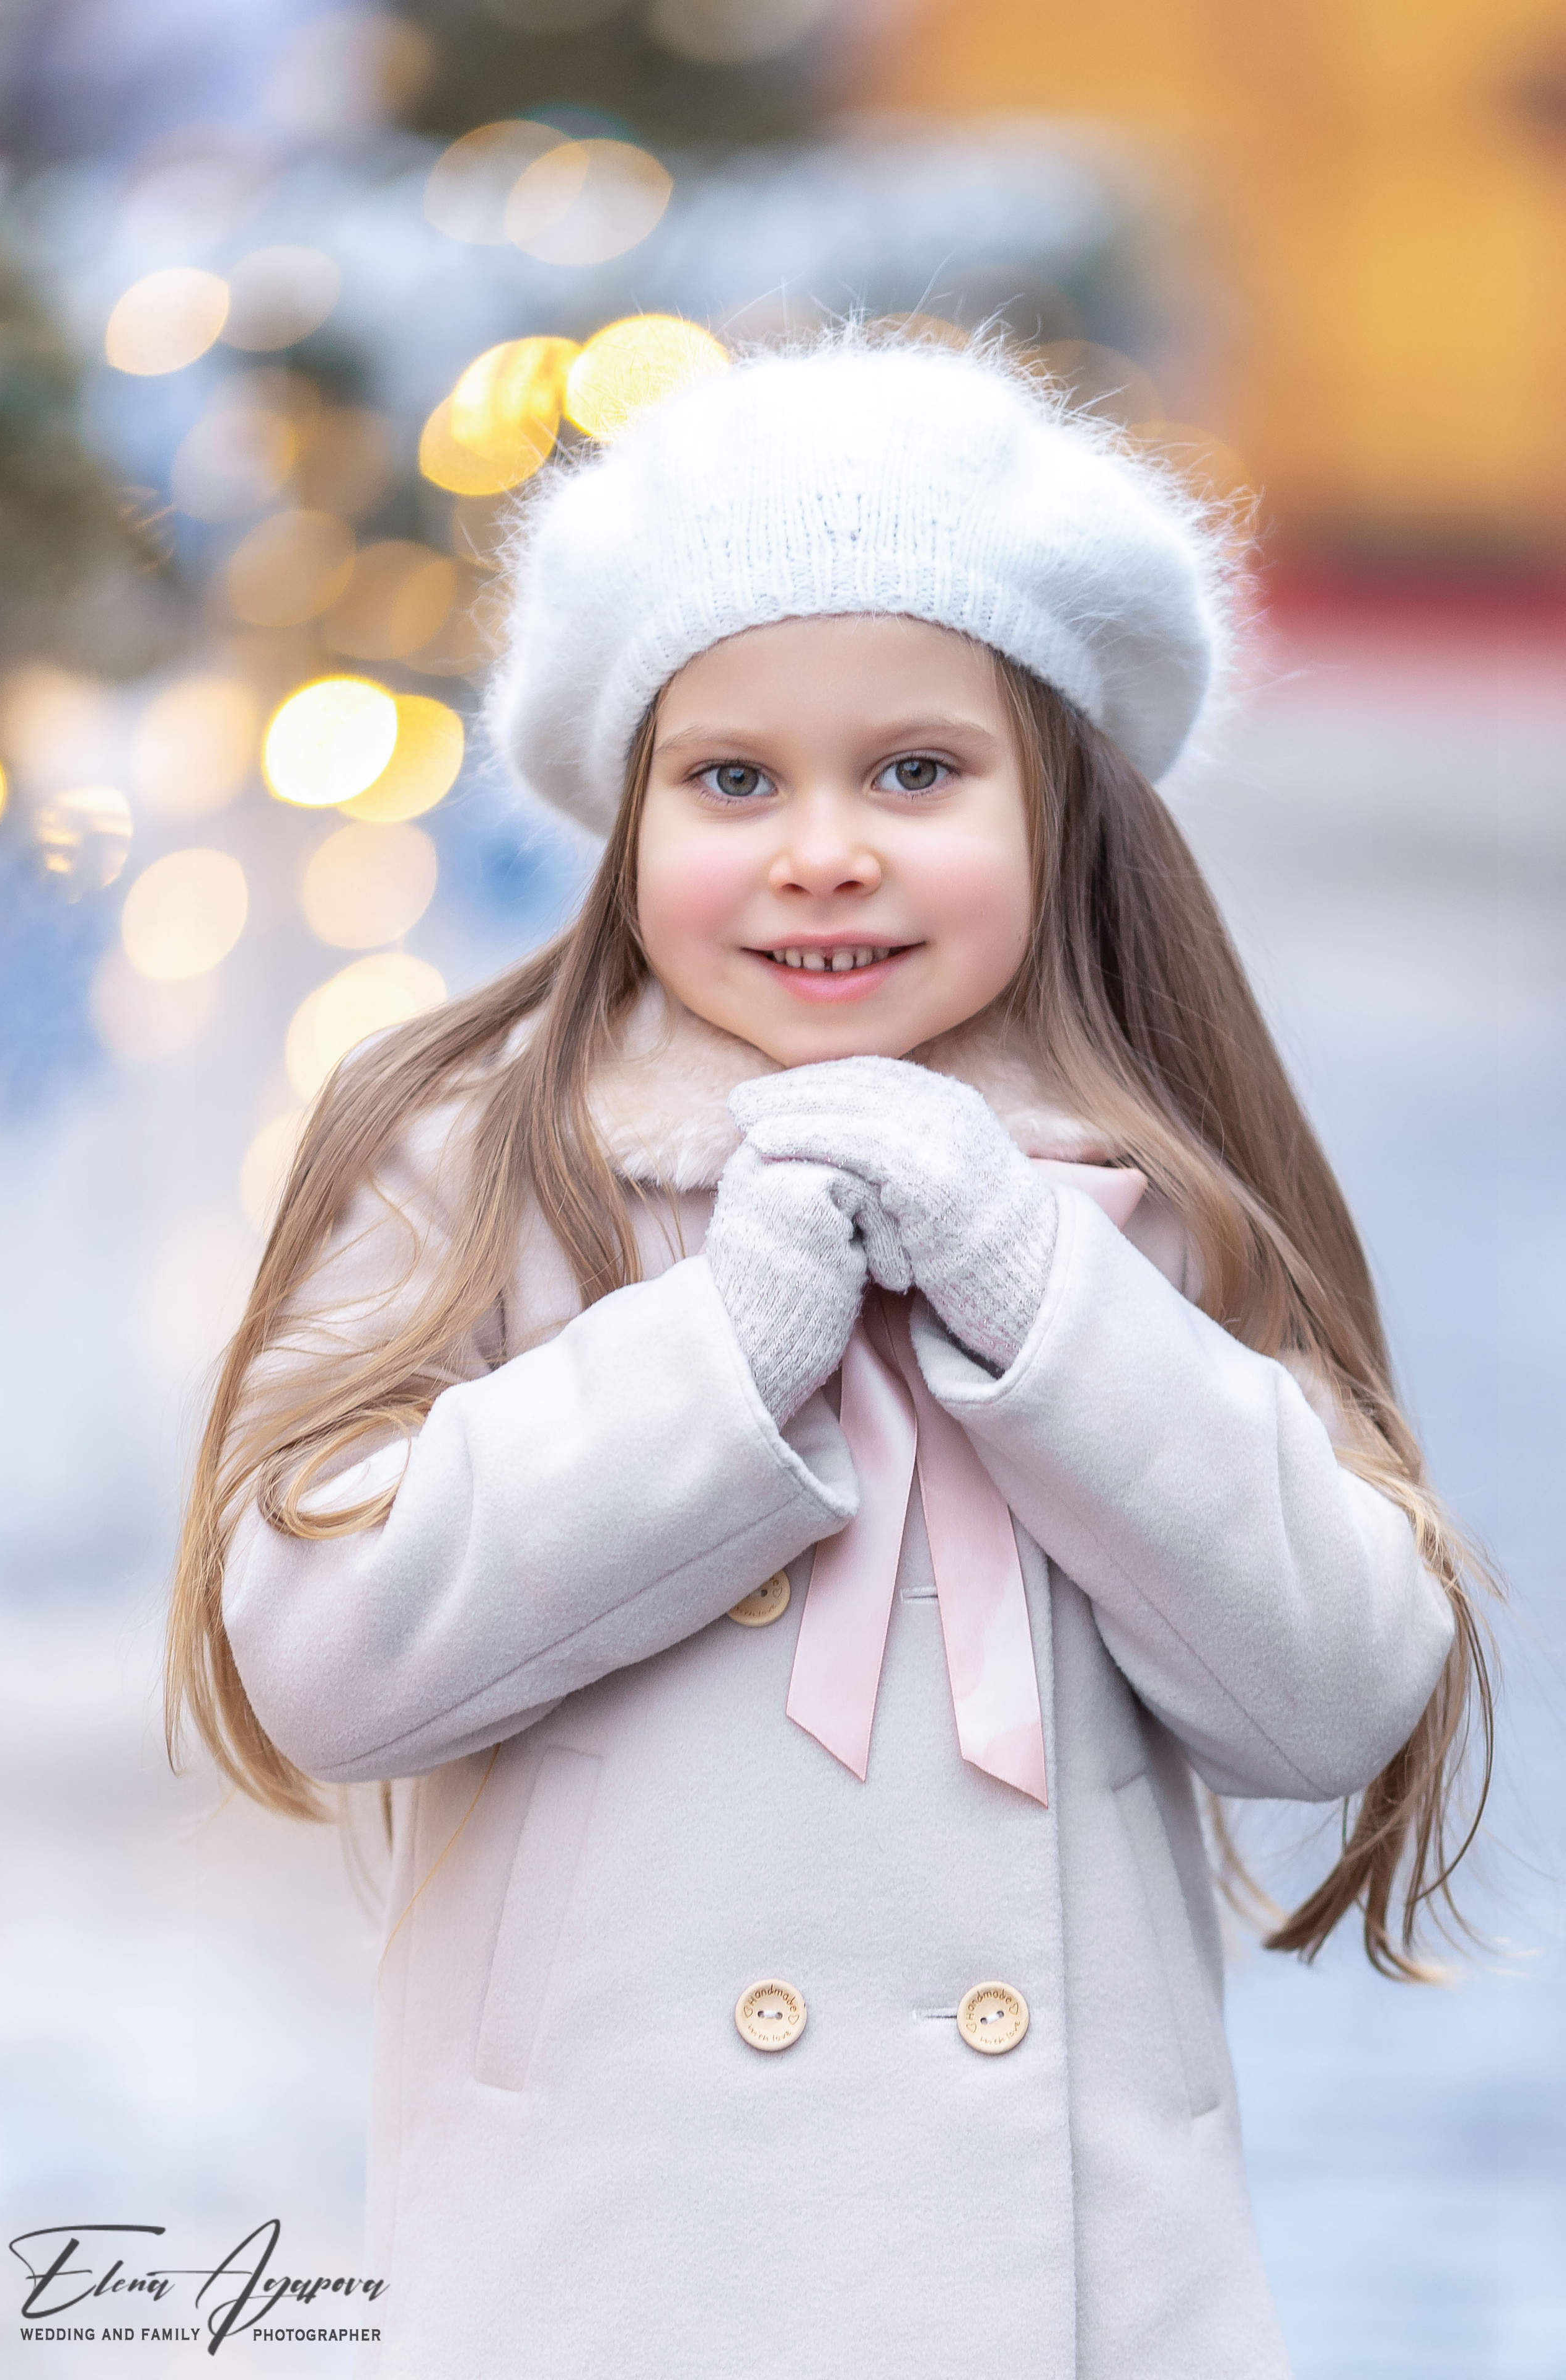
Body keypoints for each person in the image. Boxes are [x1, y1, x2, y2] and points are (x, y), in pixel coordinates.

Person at [166, 332, 1493, 2378]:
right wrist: (731, 1344)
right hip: (610, 2270)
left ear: (1062, 809)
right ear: (625, 821)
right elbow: (321, 1649)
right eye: (731, 780)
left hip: (1076, 2304)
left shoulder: (1143, 1200)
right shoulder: (484, 1157)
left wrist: (1029, 1289)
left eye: (915, 770)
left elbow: (1333, 1683)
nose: (822, 851)